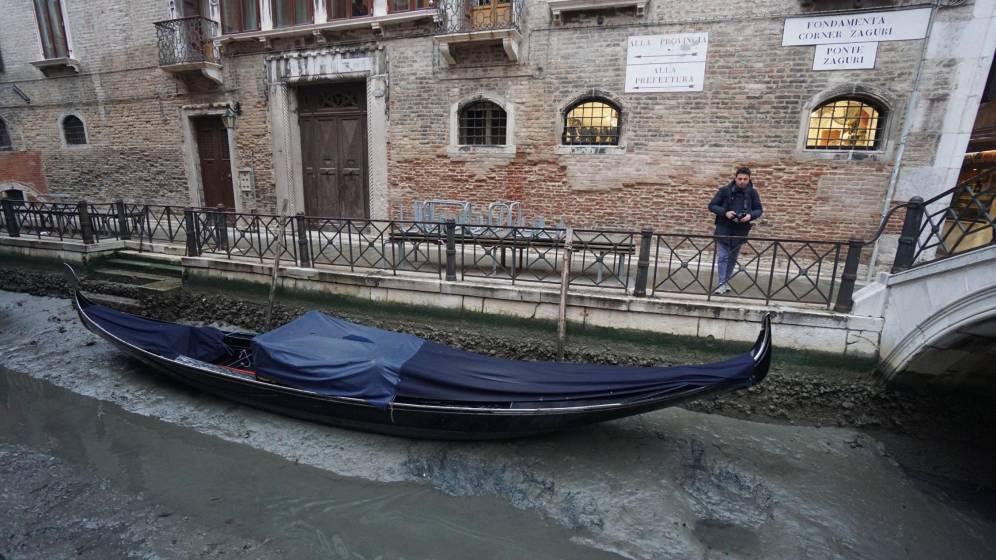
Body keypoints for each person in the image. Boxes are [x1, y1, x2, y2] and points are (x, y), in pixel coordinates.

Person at [708, 167, 763, 295]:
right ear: (735, 178)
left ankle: (725, 282)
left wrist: (750, 216)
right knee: (723, 257)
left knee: (732, 258)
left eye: (745, 179)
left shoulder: (753, 193)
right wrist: (725, 213)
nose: (742, 181)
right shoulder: (724, 191)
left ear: (749, 179)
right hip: (724, 227)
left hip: (740, 229)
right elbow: (712, 205)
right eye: (740, 179)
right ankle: (722, 284)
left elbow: (759, 209)